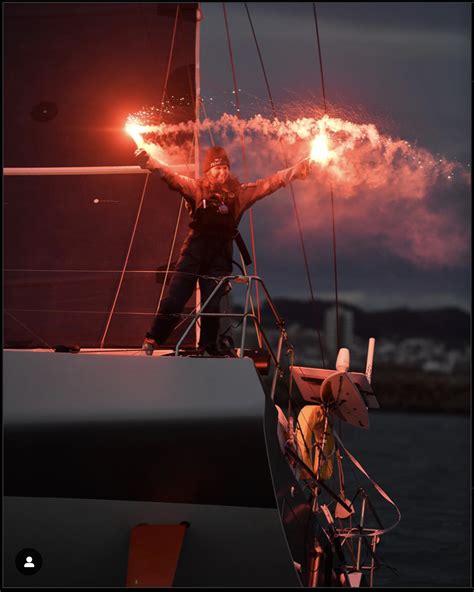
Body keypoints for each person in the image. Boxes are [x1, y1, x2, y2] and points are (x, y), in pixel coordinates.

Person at [135, 145, 315, 355]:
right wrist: (149, 162)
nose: (222, 172)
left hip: (220, 257)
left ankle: (207, 348)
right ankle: (153, 339)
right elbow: (171, 177)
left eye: (225, 168)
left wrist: (298, 170)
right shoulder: (196, 188)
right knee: (175, 299)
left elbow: (268, 184)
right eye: (217, 168)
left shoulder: (238, 194)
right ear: (208, 171)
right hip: (194, 251)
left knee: (211, 307)